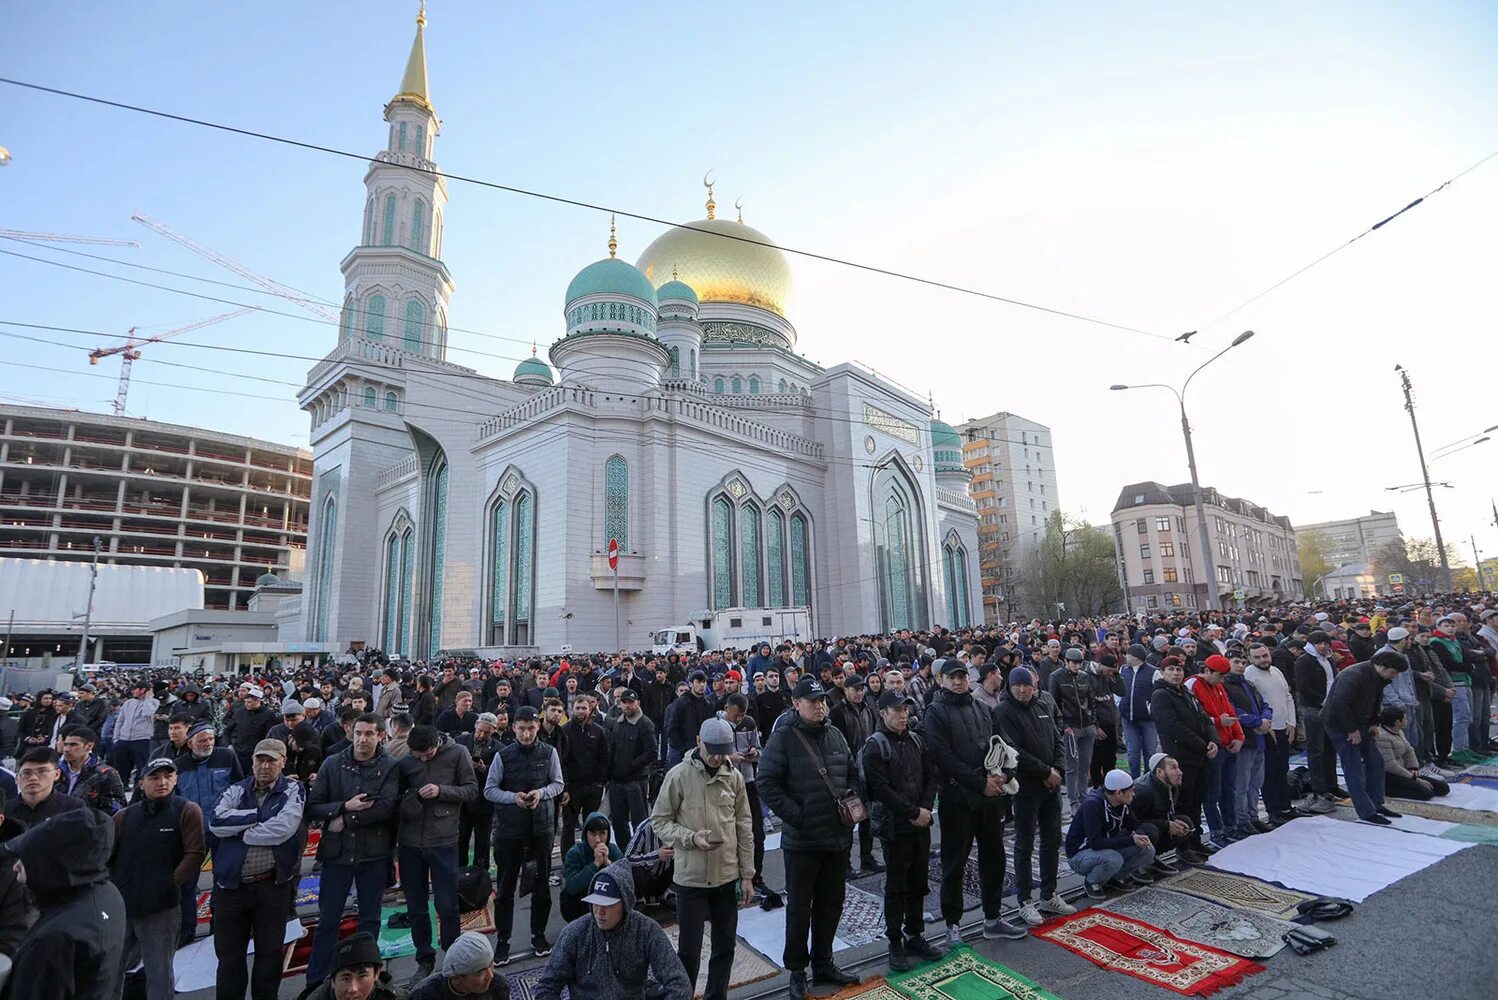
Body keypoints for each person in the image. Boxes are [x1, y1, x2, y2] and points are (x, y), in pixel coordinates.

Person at [757, 677, 863, 999]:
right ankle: (797, 971)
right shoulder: (784, 738)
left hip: (836, 838)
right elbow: (766, 782)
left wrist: (854, 802)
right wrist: (797, 815)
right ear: (796, 704)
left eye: (822, 701)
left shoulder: (834, 735)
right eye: (812, 701)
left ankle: (823, 962)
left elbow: (853, 773)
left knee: (831, 904)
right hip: (802, 842)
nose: (819, 706)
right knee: (800, 908)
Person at [923, 660, 1027, 948]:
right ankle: (952, 924)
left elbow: (1002, 743)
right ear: (941, 679)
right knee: (954, 863)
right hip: (958, 799)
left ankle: (992, 918)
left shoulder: (982, 708)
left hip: (991, 797)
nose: (958, 682)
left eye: (961, 677)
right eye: (952, 677)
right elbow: (942, 756)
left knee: (994, 858)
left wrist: (1007, 772)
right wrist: (979, 782)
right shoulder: (935, 712)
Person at [650, 717, 754, 1000]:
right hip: (691, 879)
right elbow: (659, 821)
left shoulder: (733, 777)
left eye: (723, 751)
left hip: (726, 875)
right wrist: (690, 838)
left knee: (724, 948)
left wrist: (747, 875)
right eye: (713, 750)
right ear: (699, 742)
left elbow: (744, 826)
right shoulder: (679, 776)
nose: (718, 757)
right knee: (689, 952)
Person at [304, 714, 400, 990]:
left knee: (369, 919)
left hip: (374, 853)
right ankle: (318, 981)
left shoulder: (390, 766)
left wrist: (345, 819)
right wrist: (344, 806)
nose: (363, 739)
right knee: (328, 920)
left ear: (380, 736)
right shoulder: (333, 763)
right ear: (350, 732)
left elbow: (385, 807)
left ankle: (367, 978)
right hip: (338, 854)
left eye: (369, 734)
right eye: (359, 733)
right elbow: (314, 806)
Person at [210, 737, 306, 1000]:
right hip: (232, 887)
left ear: (283, 763)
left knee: (269, 953)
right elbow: (216, 821)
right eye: (260, 760)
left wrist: (240, 832)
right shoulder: (237, 790)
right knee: (229, 957)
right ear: (252, 762)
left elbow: (282, 829)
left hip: (272, 885)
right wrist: (257, 816)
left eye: (271, 761)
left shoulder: (293, 790)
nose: (265, 766)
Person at [2, 806, 127, 1000]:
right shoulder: (107, 892)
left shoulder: (55, 940)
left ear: (53, 864)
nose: (16, 866)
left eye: (28, 858)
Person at [860, 688, 943, 971]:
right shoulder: (875, 746)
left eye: (906, 709)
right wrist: (911, 812)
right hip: (895, 828)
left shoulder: (917, 741)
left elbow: (932, 775)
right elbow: (880, 789)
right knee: (896, 886)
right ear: (883, 714)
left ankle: (915, 934)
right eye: (897, 710)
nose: (903, 715)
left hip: (920, 823)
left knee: (919, 882)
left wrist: (925, 808)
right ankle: (895, 940)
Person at [111, 757, 206, 1000]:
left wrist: (169, 884)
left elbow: (195, 853)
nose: (162, 782)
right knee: (110, 970)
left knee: (159, 973)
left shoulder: (187, 810)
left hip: (162, 908)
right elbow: (108, 857)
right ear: (141, 783)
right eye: (154, 777)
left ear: (176, 779)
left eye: (167, 776)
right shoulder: (124, 816)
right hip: (123, 906)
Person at [533, 861, 691, 1000]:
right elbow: (546, 987)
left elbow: (679, 984)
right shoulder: (574, 933)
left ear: (626, 903)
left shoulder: (646, 930)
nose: (599, 911)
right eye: (596, 903)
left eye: (608, 905)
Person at [993, 666, 1076, 927]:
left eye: (1026, 685)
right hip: (1027, 787)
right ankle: (1025, 900)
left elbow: (1057, 738)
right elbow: (1013, 750)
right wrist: (1044, 772)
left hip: (1051, 785)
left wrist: (1059, 769)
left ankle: (1049, 894)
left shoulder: (1043, 704)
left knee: (1052, 840)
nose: (1022, 689)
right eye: (1017, 685)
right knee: (1024, 844)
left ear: (1033, 686)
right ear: (1010, 686)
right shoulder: (1003, 711)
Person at [485, 704, 564, 967]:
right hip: (510, 830)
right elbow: (490, 790)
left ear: (538, 727)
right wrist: (513, 798)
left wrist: (541, 794)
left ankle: (538, 935)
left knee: (541, 886)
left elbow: (558, 784)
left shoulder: (549, 752)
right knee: (505, 889)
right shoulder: (503, 756)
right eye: (522, 729)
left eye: (531, 729)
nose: (527, 734)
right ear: (513, 728)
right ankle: (503, 941)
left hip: (541, 828)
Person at [398, 724, 479, 982]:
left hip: (443, 839)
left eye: (428, 754)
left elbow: (471, 790)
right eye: (418, 755)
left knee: (446, 903)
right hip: (410, 841)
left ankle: (453, 957)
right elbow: (395, 795)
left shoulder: (458, 754)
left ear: (438, 744)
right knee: (416, 905)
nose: (422, 759)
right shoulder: (406, 759)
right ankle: (424, 958)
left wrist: (441, 791)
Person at [1324, 648, 1409, 825]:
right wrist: (1351, 729)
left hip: (1362, 723)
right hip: (1341, 725)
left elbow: (1375, 701)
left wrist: (1373, 722)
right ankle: (1366, 810)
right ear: (1382, 666)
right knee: (1354, 767)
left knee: (1376, 763)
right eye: (1393, 672)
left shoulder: (1378, 677)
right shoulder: (1354, 675)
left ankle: (1377, 803)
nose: (1393, 677)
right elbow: (1340, 704)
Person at [1150, 656, 1219, 859]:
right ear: (1163, 672)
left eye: (1179, 669)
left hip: (1198, 756)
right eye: (1171, 669)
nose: (1176, 673)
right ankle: (1183, 846)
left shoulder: (1185, 692)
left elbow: (1204, 718)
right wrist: (1202, 745)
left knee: (1196, 801)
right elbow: (1173, 727)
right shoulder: (1161, 695)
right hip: (1181, 757)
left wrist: (1213, 740)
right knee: (1183, 803)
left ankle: (1195, 840)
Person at [1064, 769, 1156, 899]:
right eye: (1131, 791)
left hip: (1105, 848)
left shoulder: (1121, 803)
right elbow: (1095, 843)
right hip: (1080, 854)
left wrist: (1140, 835)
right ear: (1119, 793)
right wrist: (1131, 840)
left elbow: (1134, 824)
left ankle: (1112, 878)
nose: (1133, 794)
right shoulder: (1093, 805)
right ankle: (1092, 881)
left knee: (1148, 850)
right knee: (1114, 859)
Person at [1186, 656, 1244, 846]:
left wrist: (1238, 736)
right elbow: (1193, 717)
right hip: (1213, 745)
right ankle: (1217, 832)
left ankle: (1230, 826)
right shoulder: (1193, 684)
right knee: (1213, 792)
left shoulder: (1218, 686)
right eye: (1220, 676)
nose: (1222, 680)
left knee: (1229, 789)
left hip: (1227, 744)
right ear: (1208, 671)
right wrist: (1219, 722)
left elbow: (1230, 712)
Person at [829, 673, 882, 876]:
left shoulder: (868, 710)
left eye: (862, 689)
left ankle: (867, 857)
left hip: (868, 768)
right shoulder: (837, 712)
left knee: (868, 816)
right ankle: (845, 863)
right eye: (855, 689)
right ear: (846, 690)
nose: (859, 693)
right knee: (849, 817)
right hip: (848, 771)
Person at [1245, 642, 1299, 825]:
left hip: (1284, 727)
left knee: (1283, 769)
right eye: (1257, 658)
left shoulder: (1276, 671)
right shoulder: (1249, 676)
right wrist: (1265, 728)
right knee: (1269, 773)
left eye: (1264, 656)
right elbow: (1254, 706)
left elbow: (1287, 697)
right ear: (1250, 659)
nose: (1262, 660)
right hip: (1267, 731)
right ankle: (1273, 810)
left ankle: (1286, 807)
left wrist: (1292, 722)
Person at [1223, 651, 1273, 838]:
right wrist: (1256, 722)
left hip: (1259, 739)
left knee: (1255, 782)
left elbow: (1264, 704)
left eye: (1244, 662)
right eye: (1236, 662)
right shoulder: (1225, 685)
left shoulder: (1248, 684)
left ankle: (1253, 816)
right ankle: (1241, 820)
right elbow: (1233, 711)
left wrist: (1266, 718)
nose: (1241, 665)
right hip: (1244, 740)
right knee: (1241, 784)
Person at [557, 692, 609, 861]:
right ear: (572, 710)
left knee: (591, 826)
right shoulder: (564, 731)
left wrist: (600, 782)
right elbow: (561, 761)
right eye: (577, 708)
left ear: (590, 709)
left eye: (584, 708)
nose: (581, 711)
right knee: (569, 827)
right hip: (572, 788)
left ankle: (590, 858)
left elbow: (604, 758)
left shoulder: (598, 731)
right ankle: (568, 860)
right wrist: (564, 787)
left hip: (593, 787)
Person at [603, 688, 656, 850]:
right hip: (617, 781)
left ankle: (642, 851)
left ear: (637, 703)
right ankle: (625, 852)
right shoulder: (618, 723)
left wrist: (632, 766)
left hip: (636, 780)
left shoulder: (645, 724)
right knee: (618, 822)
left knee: (640, 821)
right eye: (624, 702)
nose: (627, 706)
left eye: (630, 702)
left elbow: (652, 752)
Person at [1294, 631, 1342, 812]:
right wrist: (1323, 700)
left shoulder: (1328, 659)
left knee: (1330, 747)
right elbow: (1303, 687)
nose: (1323, 646)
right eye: (1319, 643)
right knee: (1316, 750)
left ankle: (1332, 785)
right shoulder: (1304, 661)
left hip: (1330, 708)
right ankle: (1318, 789)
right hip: (1314, 708)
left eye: (1326, 643)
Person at [1048, 647, 1098, 810]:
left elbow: (1091, 699)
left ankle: (1083, 795)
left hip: (1086, 724)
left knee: (1085, 763)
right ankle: (1073, 801)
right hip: (1070, 726)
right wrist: (1063, 726)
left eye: (1080, 663)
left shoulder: (1084, 676)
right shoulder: (1056, 677)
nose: (1078, 666)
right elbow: (1054, 704)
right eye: (1075, 663)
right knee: (1072, 766)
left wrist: (1093, 722)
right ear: (1067, 662)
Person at [455, 712, 504, 870]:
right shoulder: (460, 741)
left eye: (487, 732)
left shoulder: (499, 748)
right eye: (480, 731)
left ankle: (480, 878)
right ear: (475, 726)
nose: (482, 735)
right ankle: (459, 875)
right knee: (460, 840)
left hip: (484, 802)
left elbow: (502, 774)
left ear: (494, 731)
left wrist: (484, 768)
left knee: (482, 843)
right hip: (462, 801)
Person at [1374, 706, 1450, 801]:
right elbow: (1390, 765)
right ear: (1397, 722)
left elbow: (1409, 750)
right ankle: (1388, 790)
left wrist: (1413, 768)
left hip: (1403, 771)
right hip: (1389, 775)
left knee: (1443, 788)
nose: (1407, 720)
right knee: (1426, 793)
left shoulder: (1399, 732)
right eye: (1405, 718)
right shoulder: (1381, 737)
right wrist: (1414, 778)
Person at [1130, 753, 1192, 869]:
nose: (1180, 772)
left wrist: (1173, 821)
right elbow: (1132, 823)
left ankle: (1153, 858)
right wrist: (1167, 824)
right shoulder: (1144, 790)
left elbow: (1165, 811)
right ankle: (1136, 864)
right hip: (1135, 833)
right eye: (1174, 768)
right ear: (1160, 772)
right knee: (1151, 831)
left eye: (1178, 767)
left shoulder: (1171, 785)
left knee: (1186, 823)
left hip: (1155, 822)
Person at [408, 931, 512, 999]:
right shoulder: (423, 995)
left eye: (490, 965)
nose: (490, 976)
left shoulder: (499, 986)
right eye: (481, 972)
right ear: (456, 978)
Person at [302, 932, 405, 1000]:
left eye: (362, 976)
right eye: (345, 978)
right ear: (333, 981)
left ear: (376, 974)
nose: (353, 989)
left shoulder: (396, 997)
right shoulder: (317, 997)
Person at [560, 811, 622, 921]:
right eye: (593, 834)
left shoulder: (613, 850)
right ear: (586, 834)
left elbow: (625, 879)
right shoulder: (575, 853)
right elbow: (572, 886)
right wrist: (595, 865)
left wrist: (607, 862)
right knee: (567, 898)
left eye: (602, 833)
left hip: (609, 896)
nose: (598, 840)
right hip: (583, 899)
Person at [6, 746, 84, 827]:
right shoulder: (5, 810)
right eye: (26, 772)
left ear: (57, 774)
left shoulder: (73, 807)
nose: (33, 778)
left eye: (42, 771)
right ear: (16, 778)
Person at [56, 726, 127, 816]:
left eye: (73, 745)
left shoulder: (106, 774)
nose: (66, 749)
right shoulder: (56, 769)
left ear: (89, 746)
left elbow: (116, 808)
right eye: (65, 744)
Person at [1119, 644, 1158, 778]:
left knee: (1150, 752)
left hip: (1148, 719)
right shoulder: (1123, 670)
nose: (1125, 657)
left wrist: (1151, 708)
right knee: (1133, 752)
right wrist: (1119, 704)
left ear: (1135, 657)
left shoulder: (1153, 672)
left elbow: (1159, 693)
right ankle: (1134, 780)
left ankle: (1150, 780)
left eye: (1128, 654)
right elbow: (1118, 690)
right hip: (1127, 718)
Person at [111, 680, 159, 784]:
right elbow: (120, 720)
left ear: (143, 690)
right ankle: (121, 785)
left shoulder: (153, 702)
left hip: (141, 738)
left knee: (142, 765)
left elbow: (148, 712)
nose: (133, 691)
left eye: (136, 689)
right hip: (123, 738)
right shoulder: (128, 703)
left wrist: (148, 698)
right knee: (120, 766)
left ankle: (140, 786)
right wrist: (116, 738)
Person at [223, 688, 278, 778]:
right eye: (245, 702)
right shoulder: (239, 712)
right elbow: (227, 730)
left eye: (249, 702)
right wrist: (228, 745)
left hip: (256, 753)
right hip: (238, 751)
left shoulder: (269, 714)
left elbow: (269, 735)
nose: (246, 705)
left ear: (258, 701)